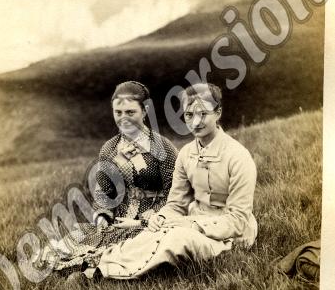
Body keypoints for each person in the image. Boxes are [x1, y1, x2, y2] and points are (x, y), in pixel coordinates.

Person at [89, 82, 258, 279]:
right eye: (188, 115)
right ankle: (100, 268)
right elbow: (176, 204)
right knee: (153, 233)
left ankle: (116, 276)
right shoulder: (186, 154)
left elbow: (238, 220)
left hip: (231, 234)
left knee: (176, 237)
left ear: (218, 112)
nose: (195, 122)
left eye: (203, 114)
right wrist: (160, 219)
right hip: (192, 221)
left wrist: (192, 225)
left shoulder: (238, 156)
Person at [47, 81, 178, 274]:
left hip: (153, 219)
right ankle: (92, 265)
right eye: (118, 112)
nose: (123, 118)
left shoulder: (162, 147)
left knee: (146, 244)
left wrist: (152, 216)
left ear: (145, 110)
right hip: (119, 219)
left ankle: (101, 268)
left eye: (130, 112)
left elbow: (175, 190)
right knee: (76, 240)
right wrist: (102, 216)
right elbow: (105, 191)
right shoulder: (109, 149)